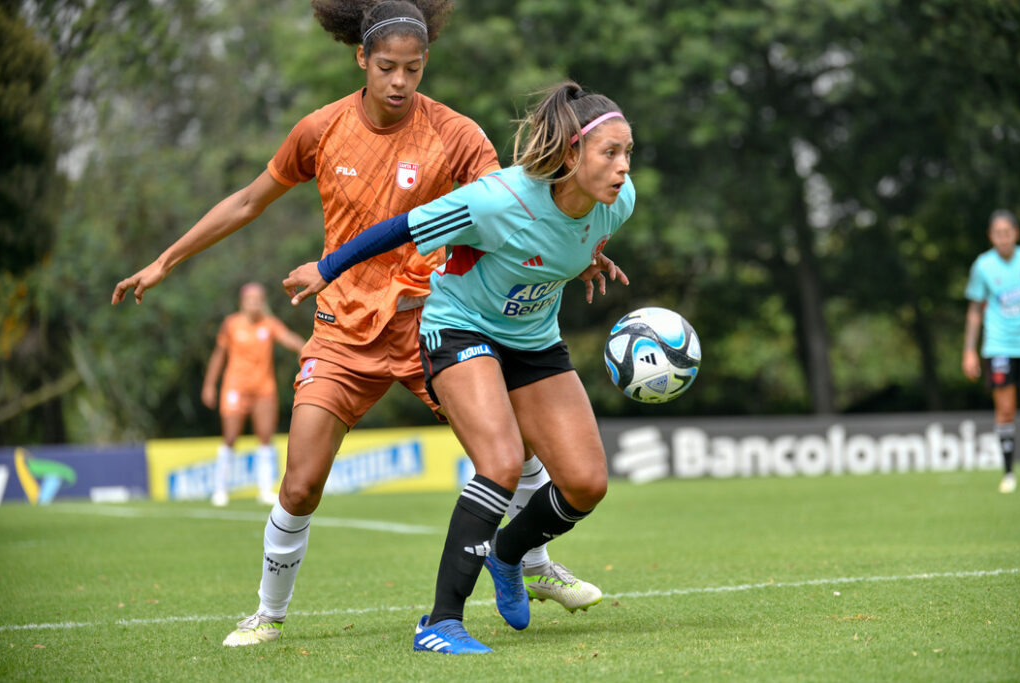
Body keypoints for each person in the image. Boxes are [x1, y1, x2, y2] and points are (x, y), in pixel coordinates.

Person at [111, 0, 606, 648]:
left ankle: (532, 565)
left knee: (517, 449)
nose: (401, 81)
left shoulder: (456, 135)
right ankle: (268, 612)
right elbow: (247, 199)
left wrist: (584, 239)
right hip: (342, 332)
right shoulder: (320, 129)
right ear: (362, 60)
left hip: (433, 322)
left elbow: (517, 208)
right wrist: (164, 260)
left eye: (415, 68)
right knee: (301, 481)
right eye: (388, 67)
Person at [284, 80, 635, 654]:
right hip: (459, 328)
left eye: (627, 154)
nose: (623, 168)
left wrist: (584, 261)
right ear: (571, 154)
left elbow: (562, 242)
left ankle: (508, 555)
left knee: (586, 484)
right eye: (610, 153)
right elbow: (400, 228)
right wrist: (328, 268)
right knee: (498, 464)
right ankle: (440, 623)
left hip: (533, 341)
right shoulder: (499, 199)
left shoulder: (618, 203)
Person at [202, 283, 305, 507]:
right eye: (251, 299)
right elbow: (219, 355)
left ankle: (265, 489)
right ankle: (220, 490)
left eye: (258, 299)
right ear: (242, 302)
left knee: (266, 438)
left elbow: (290, 339)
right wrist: (210, 384)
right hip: (235, 389)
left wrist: (306, 350)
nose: (254, 303)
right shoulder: (231, 324)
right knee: (230, 437)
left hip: (263, 390)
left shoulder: (269, 324)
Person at [963, 209, 1020, 494]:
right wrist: (969, 351)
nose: (1003, 238)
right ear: (991, 237)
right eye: (997, 234)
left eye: (1007, 232)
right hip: (999, 346)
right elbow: (975, 309)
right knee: (1006, 410)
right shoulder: (983, 266)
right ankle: (1009, 473)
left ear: (1016, 233)